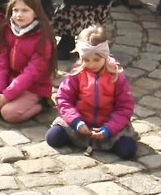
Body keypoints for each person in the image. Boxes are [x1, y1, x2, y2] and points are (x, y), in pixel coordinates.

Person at [46, 25, 138, 157]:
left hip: (109, 126)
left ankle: (108, 140)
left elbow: (125, 107)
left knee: (128, 150)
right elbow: (63, 98)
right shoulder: (77, 73)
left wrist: (109, 129)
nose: (91, 64)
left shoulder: (117, 76)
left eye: (96, 60)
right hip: (81, 122)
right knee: (53, 137)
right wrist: (76, 121)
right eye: (86, 60)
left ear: (105, 56)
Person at [0, 0, 54, 123]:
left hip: (34, 87)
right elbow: (1, 63)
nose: (19, 15)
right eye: (15, 10)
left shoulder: (43, 39)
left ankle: (43, 103)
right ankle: (9, 99)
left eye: (25, 10)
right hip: (10, 82)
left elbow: (31, 73)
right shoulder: (8, 30)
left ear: (36, 13)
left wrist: (7, 96)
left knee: (8, 113)